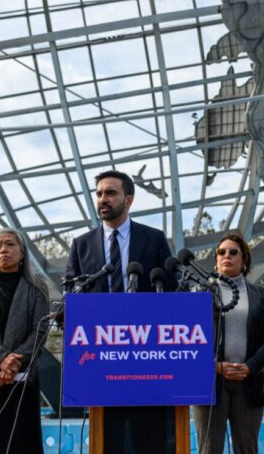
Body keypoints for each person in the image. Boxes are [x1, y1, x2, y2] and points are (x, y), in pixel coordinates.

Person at [64, 169, 175, 452]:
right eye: (100, 193)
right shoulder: (81, 245)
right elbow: (71, 298)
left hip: (147, 358)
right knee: (109, 440)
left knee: (149, 437)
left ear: (129, 200)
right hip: (101, 360)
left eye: (110, 193)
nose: (103, 199)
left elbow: (172, 293)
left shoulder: (154, 238)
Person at [0, 228, 52, 454]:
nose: (3, 249)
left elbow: (41, 328)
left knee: (22, 441)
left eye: (10, 244)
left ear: (22, 253)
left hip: (23, 375)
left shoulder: (37, 286)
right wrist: (2, 358)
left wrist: (15, 361)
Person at [193, 233, 264, 454]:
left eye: (233, 252)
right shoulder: (200, 293)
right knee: (209, 449)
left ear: (244, 260)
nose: (226, 256)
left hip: (249, 383)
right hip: (210, 384)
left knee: (246, 449)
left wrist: (250, 366)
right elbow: (189, 340)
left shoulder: (261, 295)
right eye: (221, 252)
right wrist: (215, 365)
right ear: (216, 259)